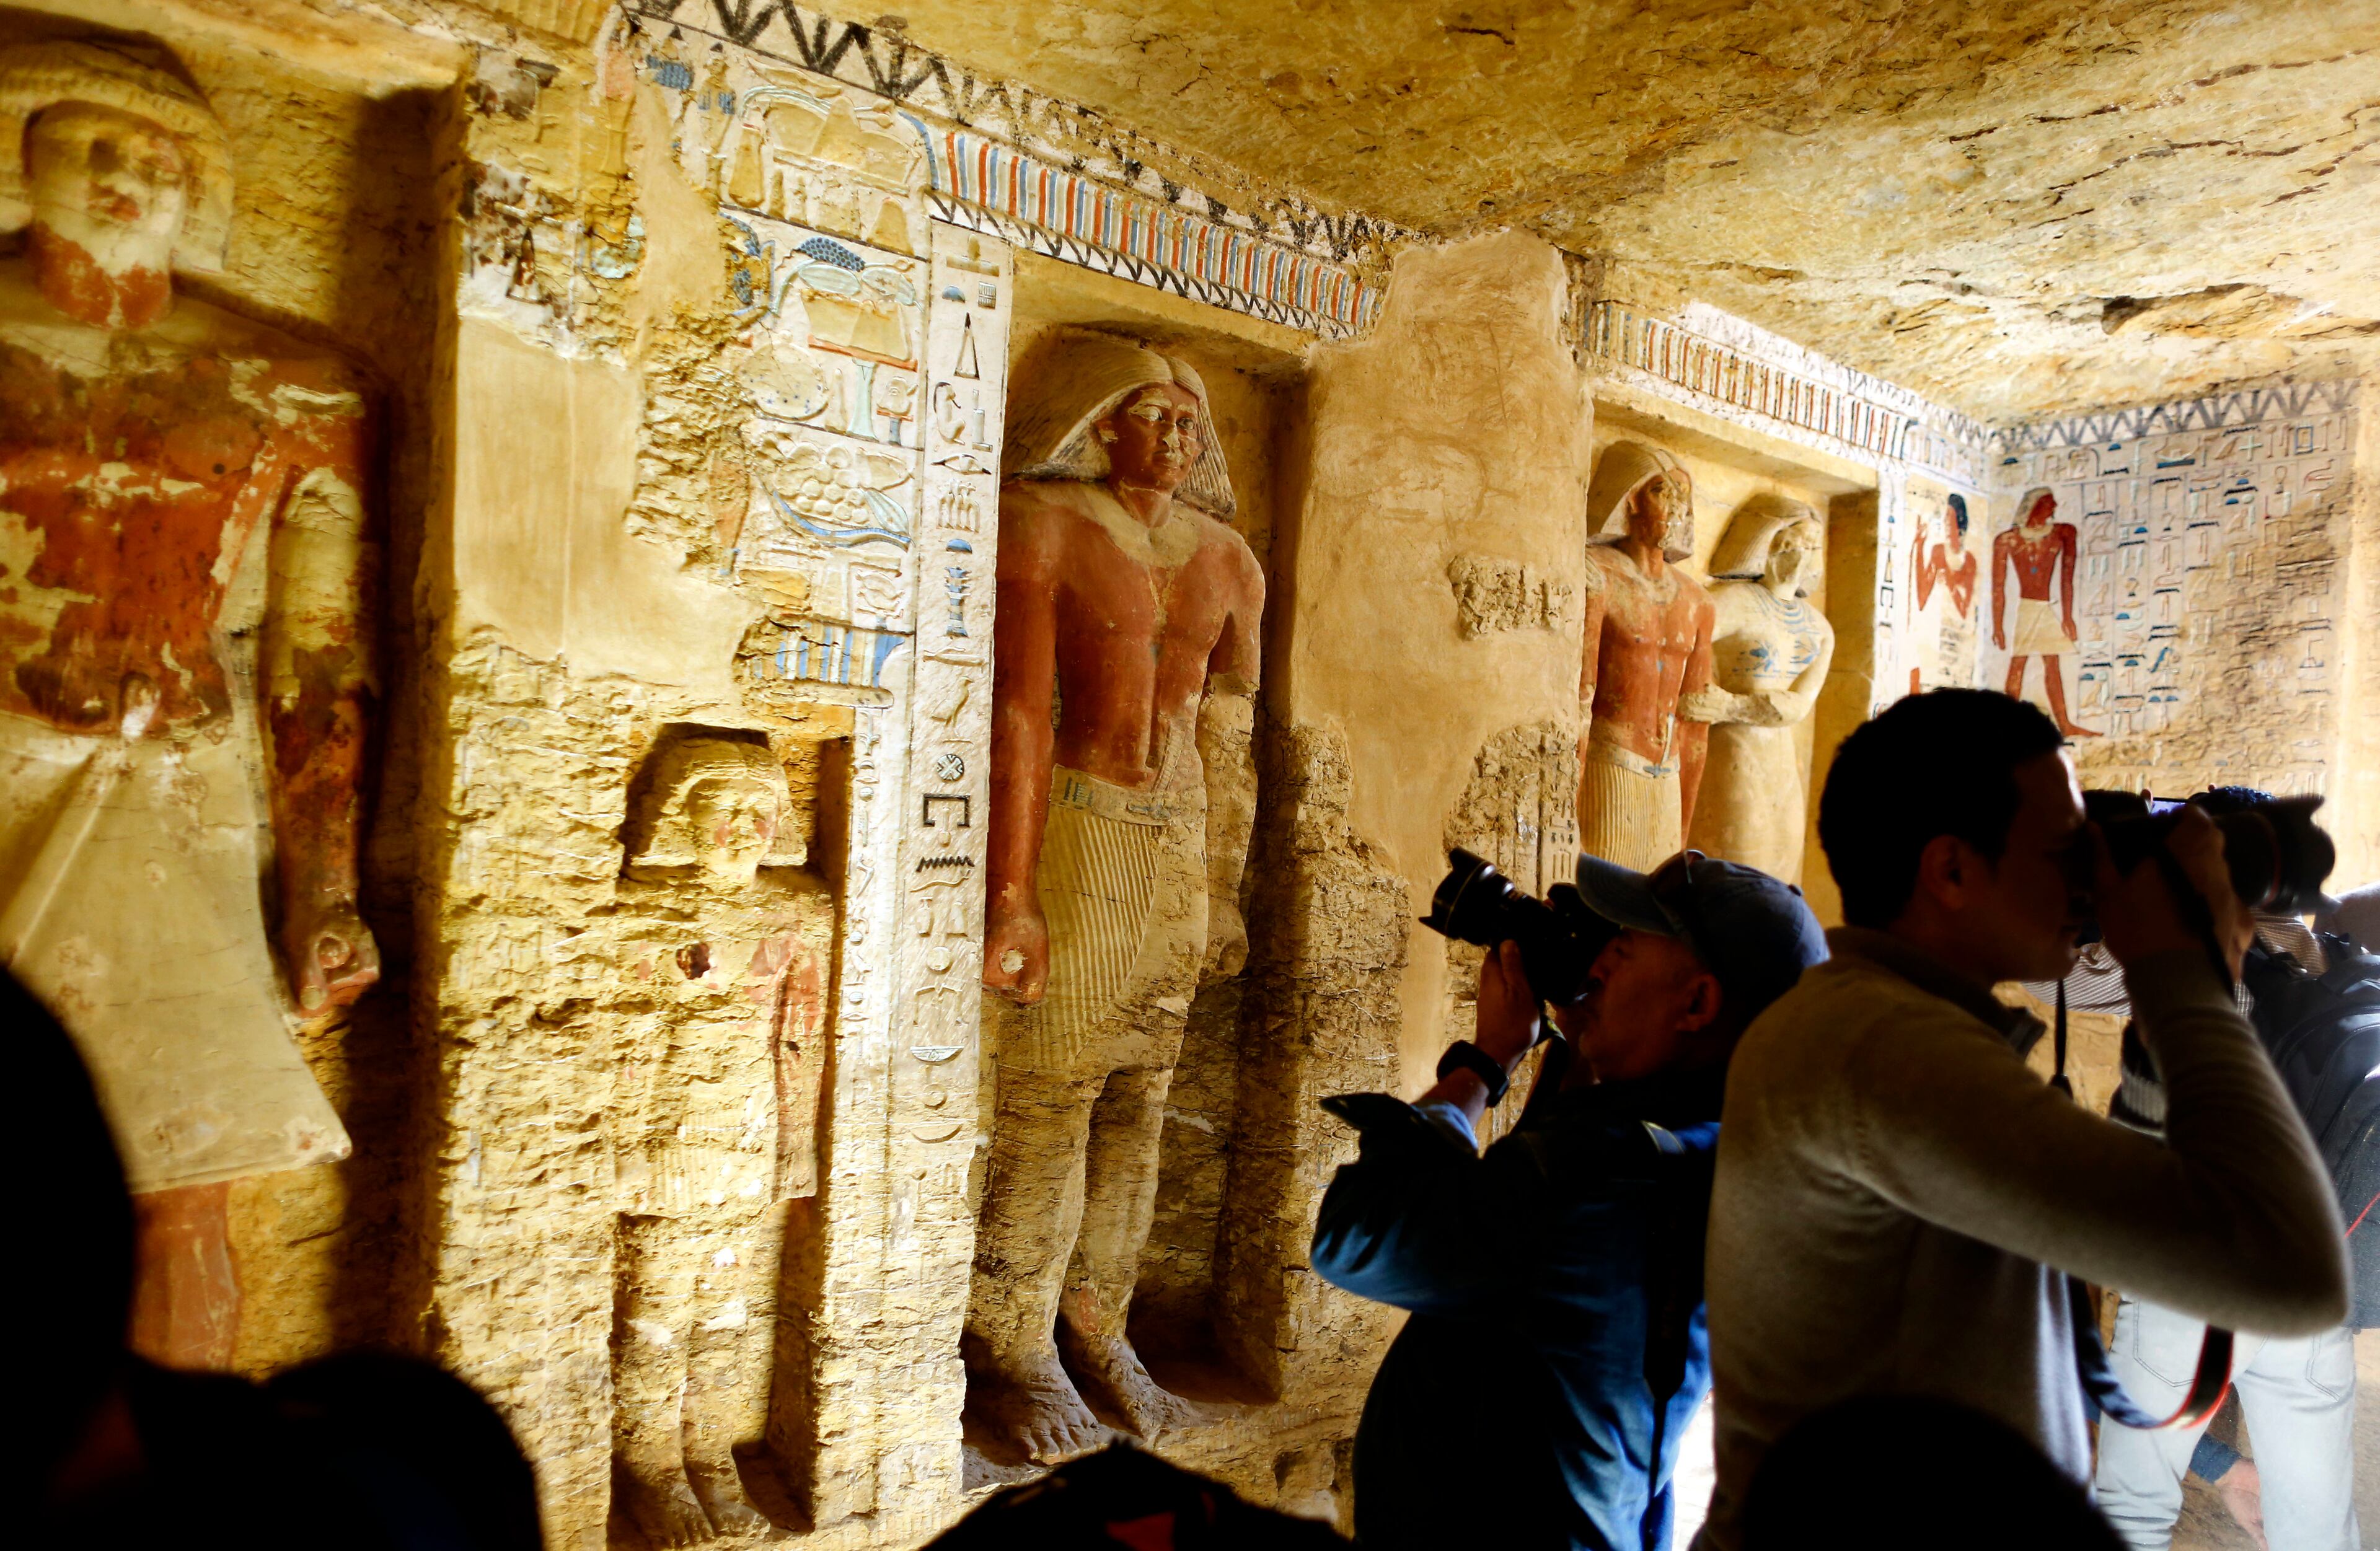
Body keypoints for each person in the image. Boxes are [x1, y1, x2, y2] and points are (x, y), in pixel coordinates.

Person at [1697, 689, 2347, 1550]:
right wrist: (2179, 974)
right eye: (2064, 850)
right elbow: (2292, 1271)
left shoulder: (1892, 1029)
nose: (2089, 881)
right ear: (1952, 870)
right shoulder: (1878, 1048)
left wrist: (2161, 1039)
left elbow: (2141, 1200)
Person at [1310, 851, 1828, 1550]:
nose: (1599, 962)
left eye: (1624, 946)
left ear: (1698, 1003)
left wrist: (1485, 1062)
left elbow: (1357, 1235)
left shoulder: (1600, 1177)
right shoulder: (1715, 1155)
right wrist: (1581, 1048)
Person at [2079, 785, 2378, 1551]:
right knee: (2317, 1528)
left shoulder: (2205, 971)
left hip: (2195, 1280)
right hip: (2311, 1291)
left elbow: (2073, 976)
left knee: (2130, 1512)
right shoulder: (2347, 966)